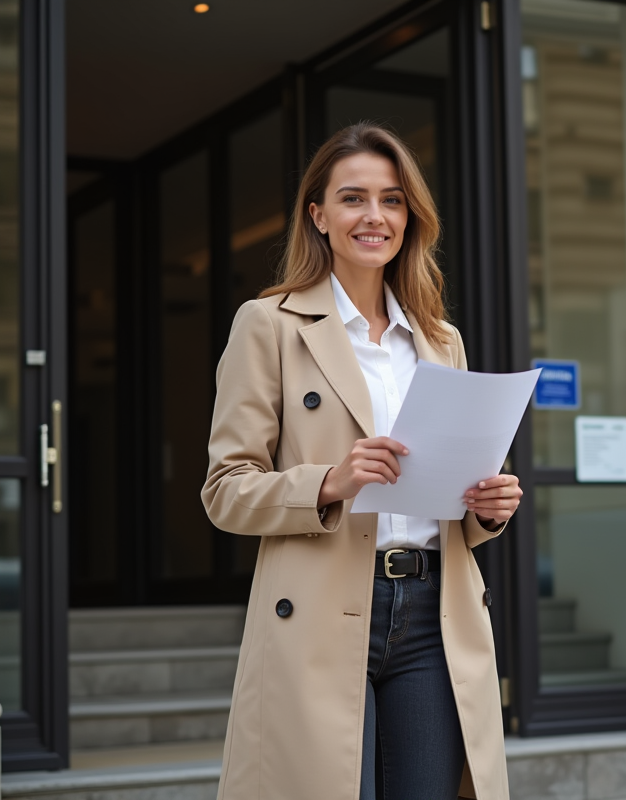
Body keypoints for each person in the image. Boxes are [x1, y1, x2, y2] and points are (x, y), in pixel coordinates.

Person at [202, 122, 520, 800]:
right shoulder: (269, 325)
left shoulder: (440, 339)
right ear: (318, 215)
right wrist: (330, 482)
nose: (375, 216)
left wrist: (487, 509)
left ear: (410, 217)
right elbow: (225, 491)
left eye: (392, 200)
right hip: (319, 610)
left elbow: (452, 500)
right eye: (354, 198)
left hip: (435, 614)